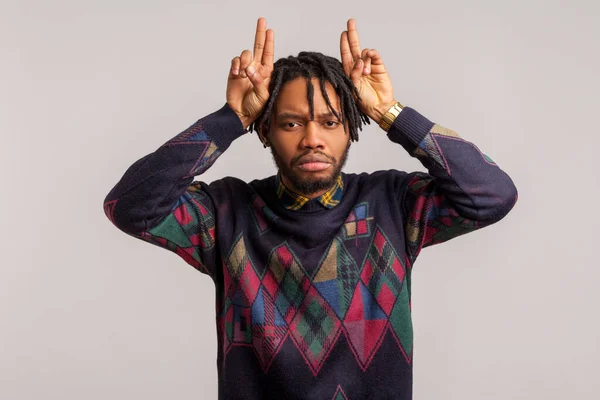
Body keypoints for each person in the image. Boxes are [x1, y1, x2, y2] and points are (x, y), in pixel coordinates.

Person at [103, 17, 518, 400]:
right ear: (264, 131)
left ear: (352, 129)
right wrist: (231, 118)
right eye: (291, 123)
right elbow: (130, 206)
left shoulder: (394, 204)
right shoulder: (225, 214)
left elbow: (492, 194)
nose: (312, 138)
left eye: (331, 122)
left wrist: (389, 113)